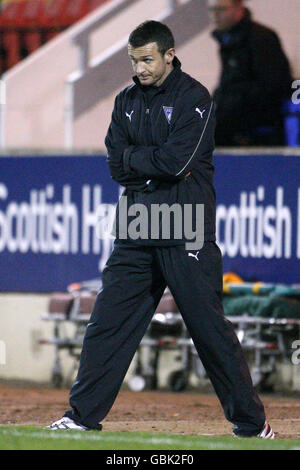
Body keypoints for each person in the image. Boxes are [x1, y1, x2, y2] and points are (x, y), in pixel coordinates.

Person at [48, 20, 274, 439]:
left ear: (169, 54)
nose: (140, 68)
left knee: (208, 330)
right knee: (107, 323)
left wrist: (141, 162)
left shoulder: (195, 99)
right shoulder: (125, 100)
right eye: (134, 60)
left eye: (147, 59)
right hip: (136, 225)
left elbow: (175, 163)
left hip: (186, 226)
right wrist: (147, 165)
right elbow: (116, 164)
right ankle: (80, 416)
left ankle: (252, 424)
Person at [208, 0, 293, 146]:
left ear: (238, 8)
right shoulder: (228, 40)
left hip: (257, 120)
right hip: (235, 116)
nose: (215, 15)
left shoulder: (261, 38)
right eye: (212, 10)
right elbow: (228, 83)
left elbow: (272, 84)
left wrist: (230, 108)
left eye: (221, 9)